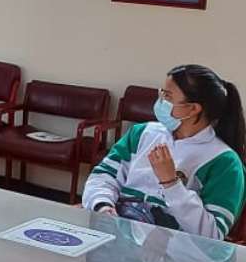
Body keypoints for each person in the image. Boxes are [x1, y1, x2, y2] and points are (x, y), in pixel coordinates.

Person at [82, 64, 245, 240]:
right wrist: (103, 205)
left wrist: (171, 183)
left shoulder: (224, 162)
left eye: (167, 96)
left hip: (174, 257)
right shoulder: (142, 133)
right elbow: (103, 176)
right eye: (161, 93)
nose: (160, 101)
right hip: (118, 236)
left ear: (193, 109)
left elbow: (212, 235)